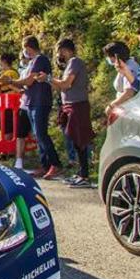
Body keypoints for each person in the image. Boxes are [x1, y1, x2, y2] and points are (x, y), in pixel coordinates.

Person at [40, 39, 94, 188]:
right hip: (69, 105)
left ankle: (84, 174)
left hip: (77, 105)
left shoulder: (75, 62)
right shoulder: (70, 65)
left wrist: (48, 78)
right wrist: (48, 80)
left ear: (65, 50)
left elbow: (66, 84)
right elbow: (62, 86)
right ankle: (80, 172)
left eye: (59, 51)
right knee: (74, 139)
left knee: (80, 140)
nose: (59, 55)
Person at [7, 36, 61, 179]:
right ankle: (45, 165)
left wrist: (12, 81)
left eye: (25, 49)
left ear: (29, 47)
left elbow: (29, 80)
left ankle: (55, 164)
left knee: (41, 134)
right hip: (31, 101)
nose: (25, 52)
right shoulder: (32, 62)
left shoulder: (40, 60)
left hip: (40, 101)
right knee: (38, 135)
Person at [102, 41, 140, 120]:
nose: (108, 59)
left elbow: (129, 93)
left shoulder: (129, 68)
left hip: (128, 111)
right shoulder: (125, 65)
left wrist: (111, 106)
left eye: (109, 56)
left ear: (116, 56)